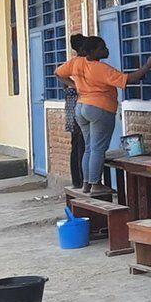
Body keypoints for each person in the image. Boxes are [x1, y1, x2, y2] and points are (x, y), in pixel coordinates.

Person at [56, 37, 151, 194]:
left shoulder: (76, 62)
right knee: (98, 148)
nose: (106, 50)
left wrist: (75, 85)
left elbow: (57, 73)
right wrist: (148, 65)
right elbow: (130, 79)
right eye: (102, 48)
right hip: (99, 108)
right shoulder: (101, 69)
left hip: (81, 107)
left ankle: (86, 185)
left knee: (89, 148)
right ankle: (96, 184)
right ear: (91, 52)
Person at [61, 34, 88, 188]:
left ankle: (78, 181)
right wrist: (76, 85)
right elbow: (60, 77)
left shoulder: (73, 63)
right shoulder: (76, 63)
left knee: (78, 144)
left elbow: (62, 81)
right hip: (75, 103)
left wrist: (72, 84)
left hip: (72, 104)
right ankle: (81, 180)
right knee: (80, 143)